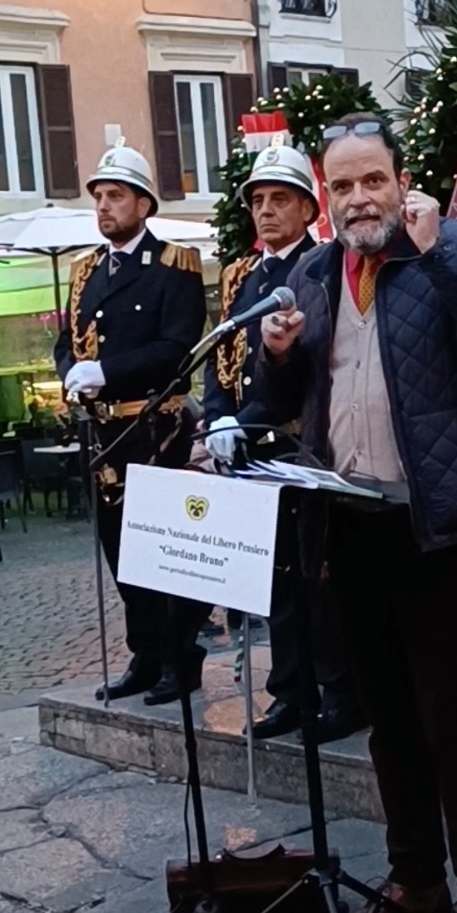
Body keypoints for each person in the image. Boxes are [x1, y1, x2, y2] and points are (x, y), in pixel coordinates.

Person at [257, 113, 457, 913]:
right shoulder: (312, 271)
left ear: (399, 178)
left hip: (436, 522)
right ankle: (417, 879)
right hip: (350, 521)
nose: (357, 199)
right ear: (325, 194)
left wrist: (440, 252)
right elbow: (288, 397)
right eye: (340, 186)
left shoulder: (449, 244)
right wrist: (274, 357)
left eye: (371, 179)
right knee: (385, 718)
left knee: (449, 715)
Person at [203, 145, 363, 745]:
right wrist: (219, 415)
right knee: (273, 582)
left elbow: (312, 363)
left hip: (302, 447)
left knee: (317, 580)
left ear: (306, 207)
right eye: (258, 202)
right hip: (251, 450)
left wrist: (244, 417)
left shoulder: (322, 266)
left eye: (280, 200)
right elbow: (221, 358)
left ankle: (340, 690)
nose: (266, 212)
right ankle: (291, 692)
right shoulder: (241, 277)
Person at [55, 141, 211, 707]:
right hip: (102, 434)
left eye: (115, 196)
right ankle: (145, 653)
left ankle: (180, 654)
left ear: (144, 204)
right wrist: (74, 372)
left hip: (153, 428)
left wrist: (109, 371)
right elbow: (65, 343)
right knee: (120, 552)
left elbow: (176, 347)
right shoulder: (84, 272)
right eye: (99, 196)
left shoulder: (173, 266)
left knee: (164, 549)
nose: (104, 206)